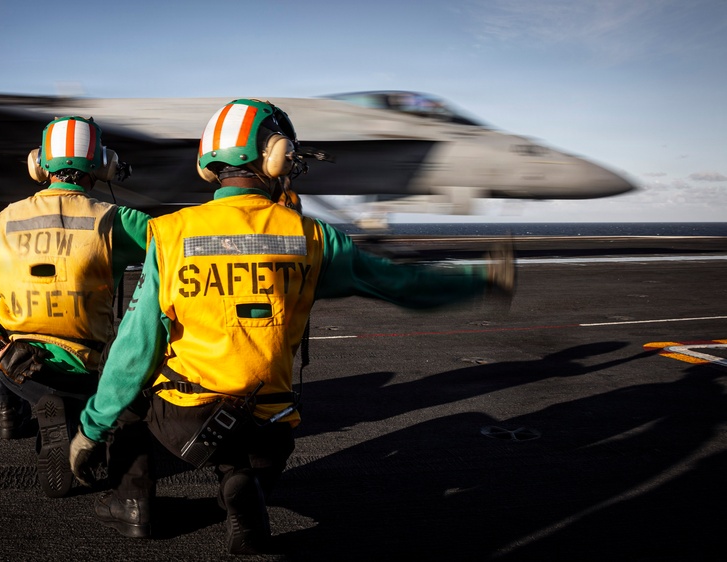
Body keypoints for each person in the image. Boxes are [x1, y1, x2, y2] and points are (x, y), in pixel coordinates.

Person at [68, 99, 515, 554]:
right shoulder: (314, 237)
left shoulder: (170, 234)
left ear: (210, 163)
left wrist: (89, 430)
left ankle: (134, 503)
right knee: (257, 431)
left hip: (188, 423)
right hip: (269, 426)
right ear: (273, 155)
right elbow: (402, 285)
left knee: (126, 396)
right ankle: (245, 483)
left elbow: (135, 347)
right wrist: (480, 279)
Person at [0, 116, 150, 498]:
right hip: (82, 365)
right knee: (106, 412)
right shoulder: (117, 219)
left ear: (39, 164)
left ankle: (10, 406)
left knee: (0, 377)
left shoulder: (4, 221)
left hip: (17, 362)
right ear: (103, 164)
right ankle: (79, 424)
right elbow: (183, 250)